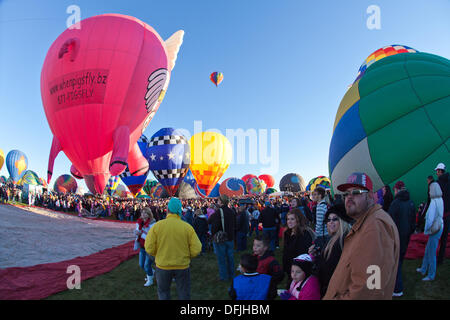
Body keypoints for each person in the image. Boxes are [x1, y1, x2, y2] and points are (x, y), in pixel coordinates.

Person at [323, 172, 400, 300]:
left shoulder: (375, 226)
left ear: (370, 196)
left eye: (356, 192)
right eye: (346, 193)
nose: (349, 197)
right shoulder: (365, 223)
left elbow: (370, 288)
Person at [145, 197, 202, 300]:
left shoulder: (157, 226)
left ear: (167, 210)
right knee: (184, 293)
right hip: (182, 266)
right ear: (180, 210)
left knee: (163, 292)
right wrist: (188, 256)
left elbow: (149, 248)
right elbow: (197, 249)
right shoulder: (187, 227)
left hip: (163, 266)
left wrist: (157, 255)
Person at [309, 203, 352, 298]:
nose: (331, 222)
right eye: (328, 220)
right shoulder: (333, 238)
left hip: (335, 289)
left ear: (342, 221)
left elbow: (331, 266)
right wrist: (318, 254)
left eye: (335, 219)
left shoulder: (342, 241)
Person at [388, 181, 416, 296]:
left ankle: (397, 289)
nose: (394, 192)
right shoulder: (411, 202)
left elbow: (389, 222)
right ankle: (397, 281)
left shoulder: (395, 203)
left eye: (395, 190)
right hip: (406, 237)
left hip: (396, 237)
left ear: (398, 190)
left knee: (395, 262)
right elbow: (413, 222)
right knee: (400, 260)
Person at [417, 182, 444, 281]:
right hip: (440, 226)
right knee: (428, 249)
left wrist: (426, 230)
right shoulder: (440, 199)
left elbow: (430, 219)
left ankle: (431, 275)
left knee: (431, 252)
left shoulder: (433, 202)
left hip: (434, 228)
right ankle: (423, 269)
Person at [282, 208, 315, 288]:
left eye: (292, 219)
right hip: (289, 269)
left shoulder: (304, 234)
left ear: (298, 220)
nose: (289, 221)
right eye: (288, 219)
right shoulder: (287, 233)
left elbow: (303, 254)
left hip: (300, 270)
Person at [208, 195, 236, 281]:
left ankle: (224, 277)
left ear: (221, 202)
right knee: (230, 257)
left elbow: (212, 222)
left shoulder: (219, 212)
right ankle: (232, 274)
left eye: (218, 201)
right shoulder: (231, 211)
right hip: (230, 237)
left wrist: (213, 234)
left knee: (222, 258)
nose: (217, 202)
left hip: (221, 238)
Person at [253, 235, 284, 300]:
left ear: (265, 247)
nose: (255, 248)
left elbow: (280, 274)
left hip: (267, 290)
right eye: (254, 245)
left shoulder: (271, 261)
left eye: (258, 246)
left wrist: (269, 282)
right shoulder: (253, 257)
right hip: (256, 288)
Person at [135, 207, 156, 287]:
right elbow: (138, 231)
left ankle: (150, 280)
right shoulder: (140, 222)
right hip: (142, 246)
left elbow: (152, 236)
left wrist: (141, 234)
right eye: (142, 212)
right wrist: (137, 233)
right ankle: (151, 272)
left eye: (145, 213)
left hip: (149, 247)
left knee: (147, 265)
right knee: (141, 264)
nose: (143, 214)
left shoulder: (152, 223)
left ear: (149, 214)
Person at [435, 163, 449, 265]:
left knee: (435, 237)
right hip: (447, 215)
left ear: (440, 171)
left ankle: (434, 257)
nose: (437, 173)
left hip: (440, 215)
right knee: (444, 238)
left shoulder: (438, 183)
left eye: (437, 171)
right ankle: (440, 259)